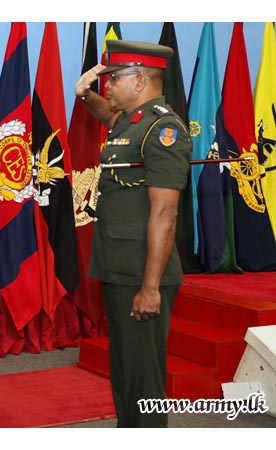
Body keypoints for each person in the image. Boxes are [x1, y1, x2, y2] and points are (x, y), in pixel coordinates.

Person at [75, 40, 192, 427]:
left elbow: (165, 212)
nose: (107, 85)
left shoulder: (163, 130)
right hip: (120, 267)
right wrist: (85, 95)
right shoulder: (133, 121)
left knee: (143, 380)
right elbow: (110, 118)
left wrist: (151, 287)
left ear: (140, 81)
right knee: (126, 374)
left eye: (114, 79)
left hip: (142, 271)